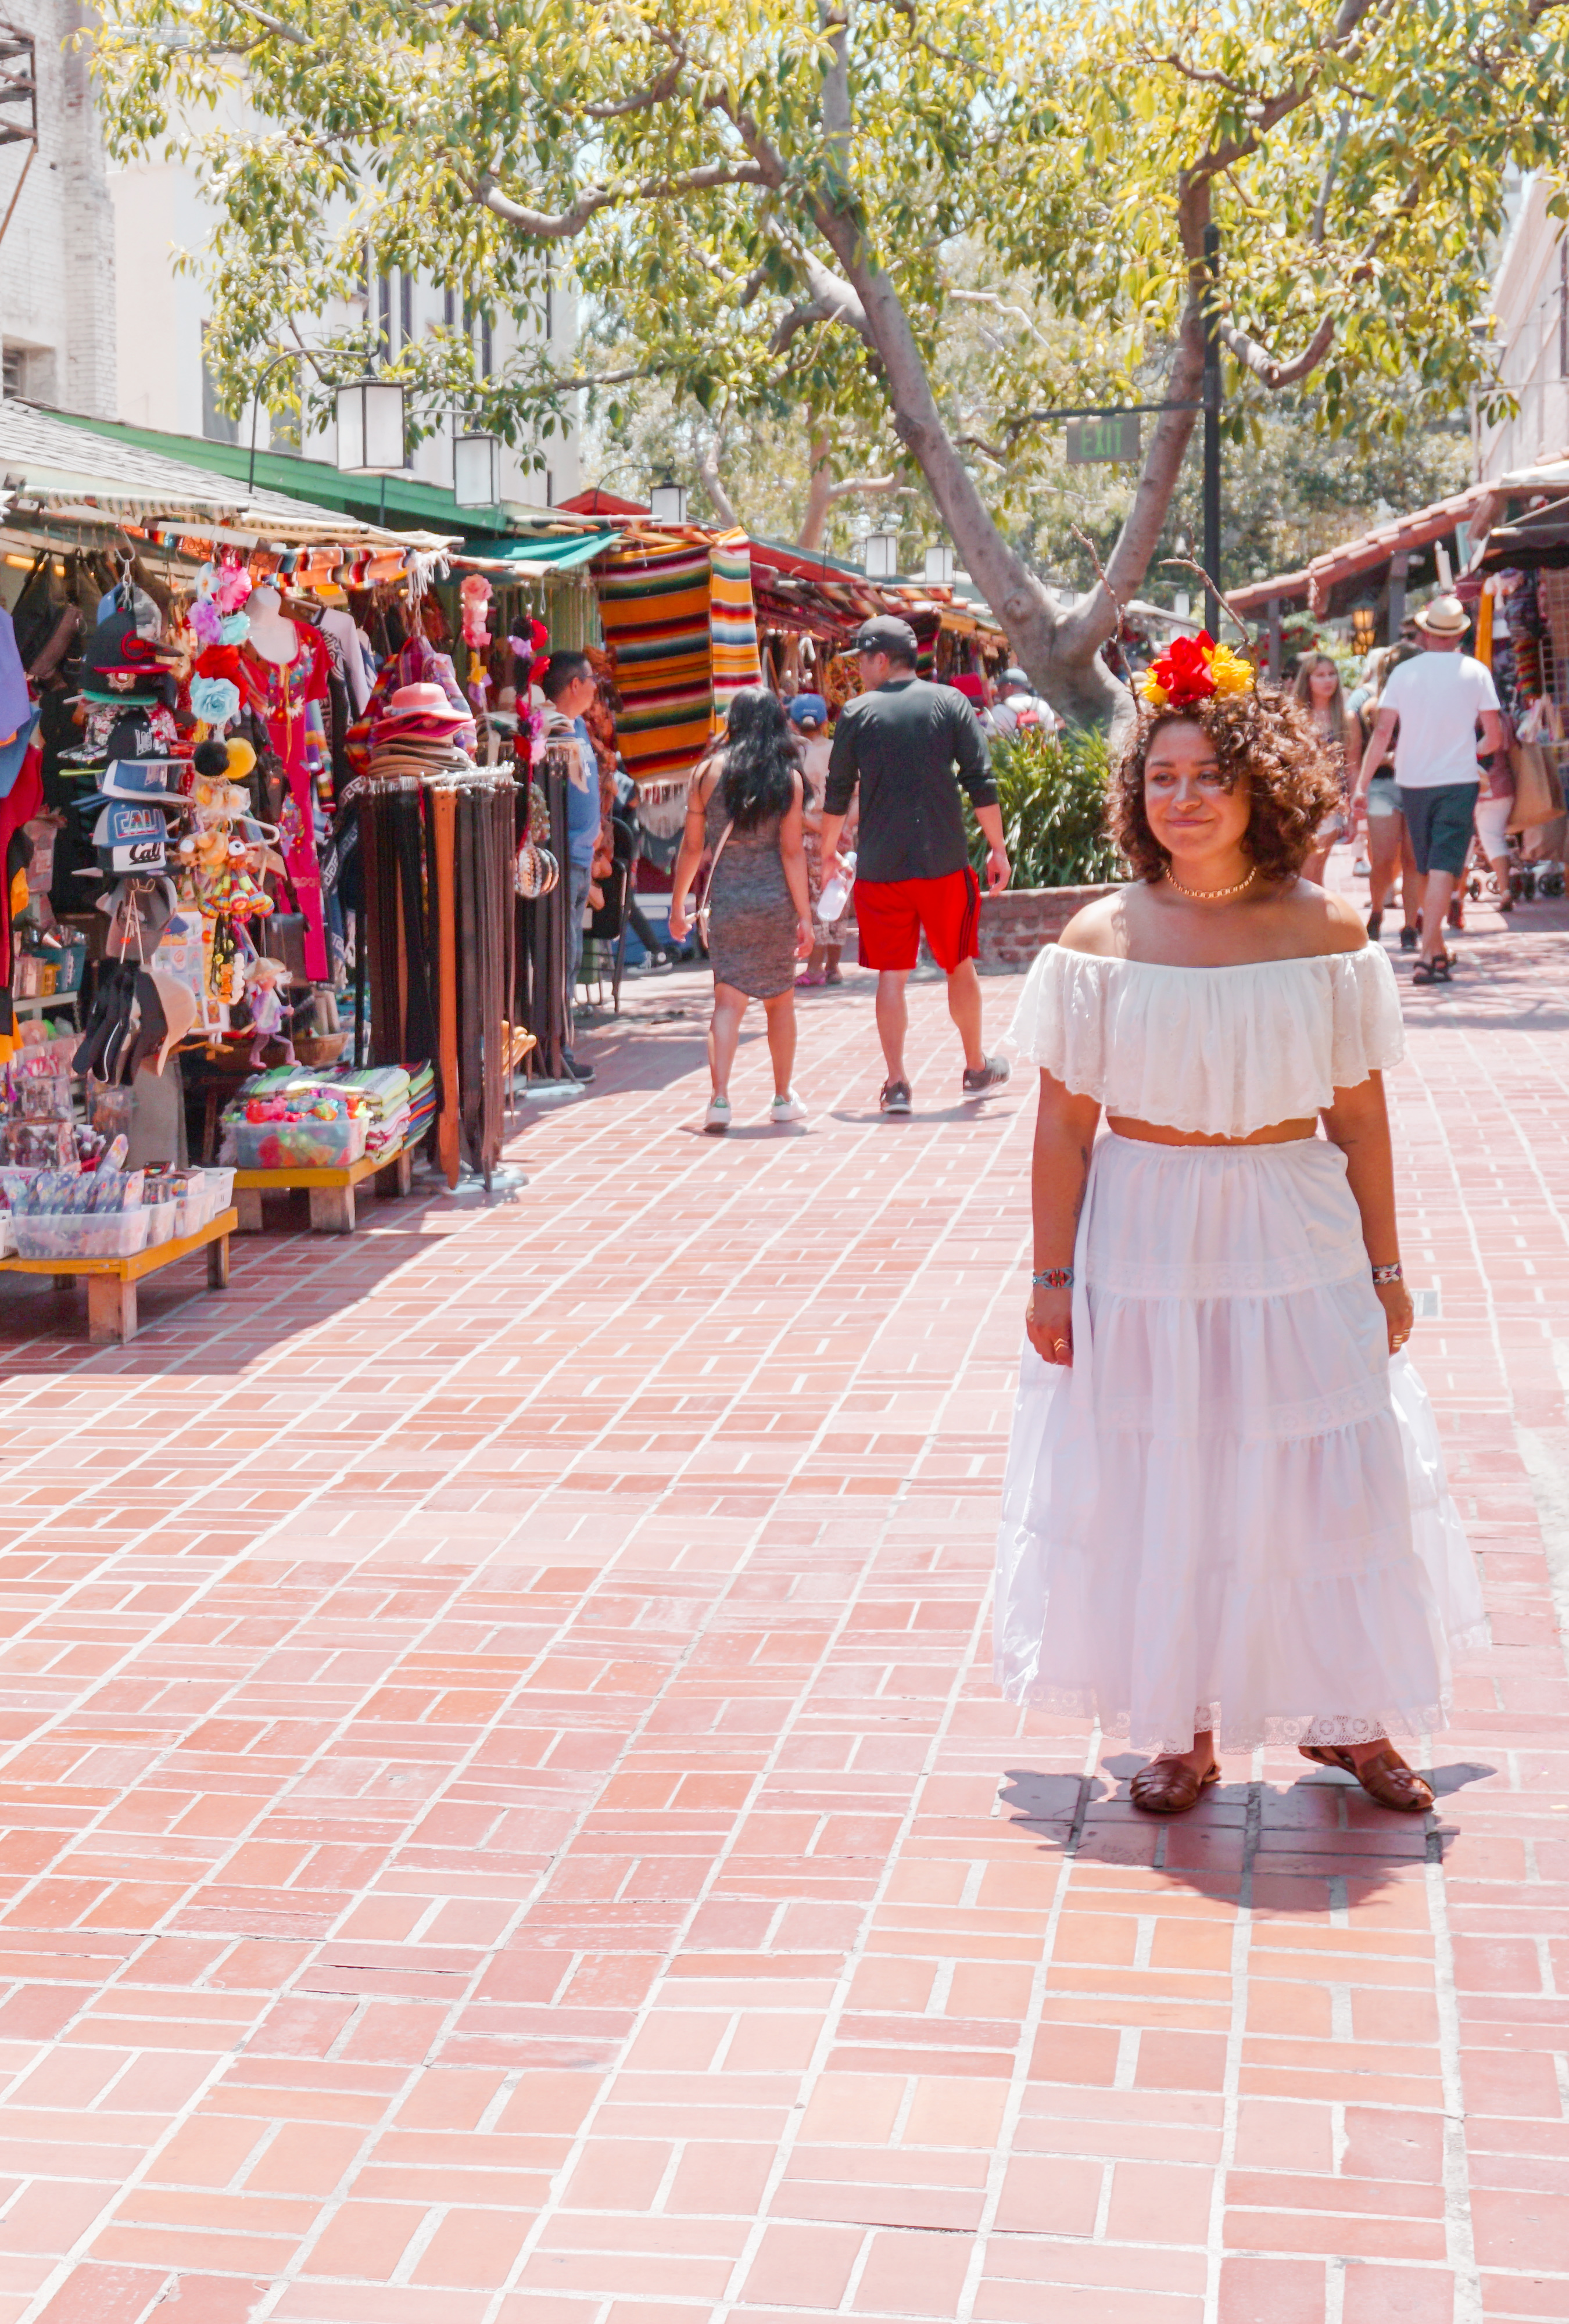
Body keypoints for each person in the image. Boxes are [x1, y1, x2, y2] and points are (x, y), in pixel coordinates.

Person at [995, 635, 1484, 1817]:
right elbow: (1062, 1131)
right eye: (1162, 777)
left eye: (1208, 773)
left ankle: (1353, 1718)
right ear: (1137, 794)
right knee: (1173, 1468)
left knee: (1334, 1473)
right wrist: (1052, 1277)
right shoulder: (1098, 942)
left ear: (1261, 783)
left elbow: (1361, 1119)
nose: (1186, 797)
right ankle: (1184, 1725)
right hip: (1145, 1230)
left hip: (1295, 1218)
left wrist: (1387, 1265)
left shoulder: (1325, 933)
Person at [818, 615, 1012, 1114]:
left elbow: (837, 793)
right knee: (958, 964)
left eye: (862, 660)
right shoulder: (949, 703)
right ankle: (975, 1068)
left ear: (882, 660)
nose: (859, 671)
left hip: (882, 867)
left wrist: (825, 853)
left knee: (891, 974)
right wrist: (998, 848)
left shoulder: (857, 713)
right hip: (943, 860)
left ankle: (898, 1083)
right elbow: (980, 781)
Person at [668, 687, 813, 1132]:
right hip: (774, 904)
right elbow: (791, 853)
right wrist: (805, 916)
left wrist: (677, 906)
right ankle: (783, 1096)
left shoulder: (705, 773)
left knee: (727, 1004)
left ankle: (719, 1100)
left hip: (727, 902)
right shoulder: (788, 778)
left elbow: (693, 847)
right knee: (780, 1004)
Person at [1355, 596, 1504, 985]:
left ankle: (1436, 950)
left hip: (1412, 780)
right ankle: (1426, 955)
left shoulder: (1404, 673)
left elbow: (1383, 731)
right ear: (1459, 634)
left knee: (1425, 866)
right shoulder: (1476, 672)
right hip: (1457, 780)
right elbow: (1494, 736)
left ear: (1424, 633)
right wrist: (1473, 750)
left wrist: (1361, 784)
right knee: (1443, 866)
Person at [541, 650, 601, 1080]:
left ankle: (561, 1046)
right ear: (574, 685)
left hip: (580, 861)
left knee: (571, 956)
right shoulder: (551, 730)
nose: (597, 687)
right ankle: (553, 1050)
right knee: (560, 957)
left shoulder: (577, 727)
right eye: (592, 679)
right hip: (561, 864)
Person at [1353, 644, 1423, 948]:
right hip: (1383, 785)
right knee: (1382, 859)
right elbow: (1360, 753)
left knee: (1413, 859)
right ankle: (1378, 912)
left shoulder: (1426, 705)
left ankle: (1410, 926)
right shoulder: (1371, 704)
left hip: (1418, 784)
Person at [788, 693, 850, 987]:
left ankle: (814, 969)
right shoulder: (840, 750)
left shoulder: (792, 754)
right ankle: (834, 967)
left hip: (809, 837)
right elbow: (858, 795)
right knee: (837, 899)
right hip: (842, 835)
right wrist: (845, 828)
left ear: (793, 723)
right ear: (826, 722)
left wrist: (805, 822)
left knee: (814, 903)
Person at [1294, 654, 1360, 886]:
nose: (1328, 680)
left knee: (1316, 869)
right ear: (1308, 680)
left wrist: (1353, 812)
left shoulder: (1346, 719)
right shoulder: (1295, 716)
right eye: (1320, 675)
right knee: (1303, 870)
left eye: (1332, 674)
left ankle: (1313, 920)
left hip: (1331, 803)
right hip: (1300, 801)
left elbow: (1352, 767)